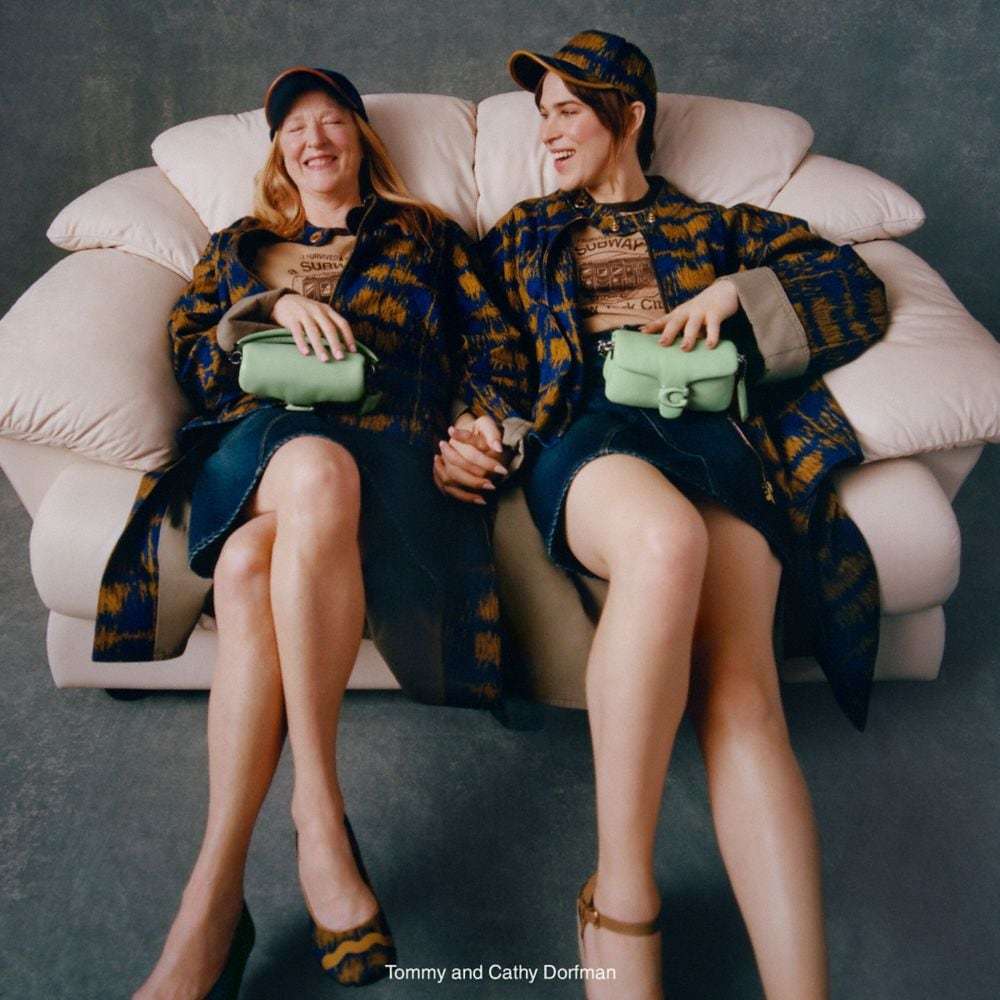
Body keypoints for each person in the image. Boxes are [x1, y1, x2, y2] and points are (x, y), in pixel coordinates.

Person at [434, 30, 889, 1000]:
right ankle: (621, 895)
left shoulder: (719, 227)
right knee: (664, 539)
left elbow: (854, 289)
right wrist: (478, 427)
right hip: (589, 431)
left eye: (568, 110)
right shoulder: (519, 235)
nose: (548, 131)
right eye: (542, 114)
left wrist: (735, 292)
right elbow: (489, 357)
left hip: (712, 436)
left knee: (744, 693)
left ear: (628, 115)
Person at [92, 66, 527, 998]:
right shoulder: (242, 247)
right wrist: (267, 307)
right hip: (256, 450)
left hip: (389, 455)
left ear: (362, 140)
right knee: (315, 471)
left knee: (253, 566)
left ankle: (211, 904)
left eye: (332, 122)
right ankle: (319, 815)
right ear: (279, 153)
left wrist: (481, 426)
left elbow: (498, 351)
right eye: (295, 128)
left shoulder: (427, 237)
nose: (315, 139)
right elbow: (189, 351)